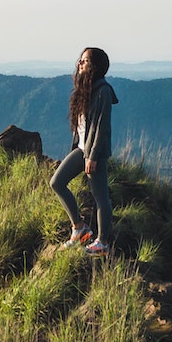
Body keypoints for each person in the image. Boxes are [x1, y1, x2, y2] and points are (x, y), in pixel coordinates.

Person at [51, 46, 117, 256]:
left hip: (93, 153)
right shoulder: (87, 89)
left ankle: (102, 243)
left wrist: (93, 156)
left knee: (100, 197)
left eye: (85, 61)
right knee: (56, 183)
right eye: (80, 60)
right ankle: (79, 229)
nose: (80, 63)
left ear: (95, 66)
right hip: (82, 149)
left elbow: (101, 126)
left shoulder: (103, 91)